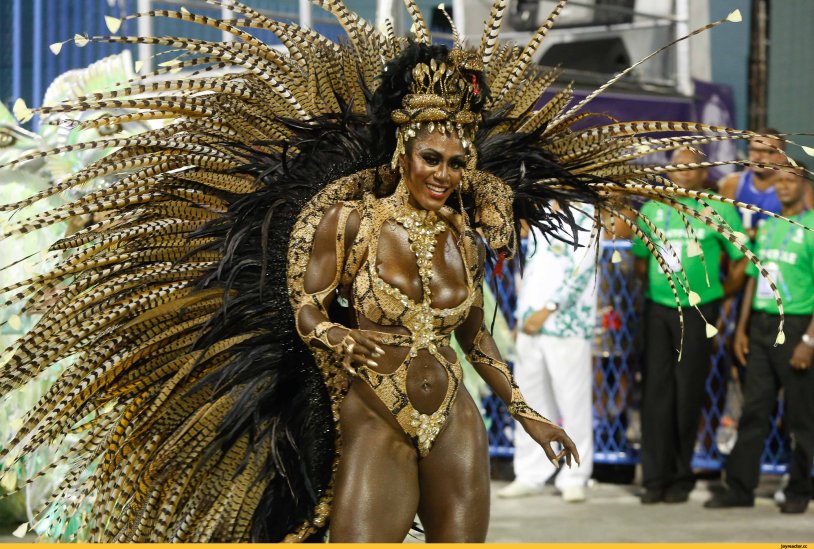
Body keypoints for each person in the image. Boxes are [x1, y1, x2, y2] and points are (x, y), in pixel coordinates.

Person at [0, 0, 797, 542]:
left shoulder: (466, 239)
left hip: (452, 413)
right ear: (402, 150)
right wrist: (345, 339)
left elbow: (478, 334)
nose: (444, 170)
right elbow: (305, 308)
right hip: (372, 413)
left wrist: (525, 410)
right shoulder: (348, 222)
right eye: (431, 156)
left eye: (457, 158)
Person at [632, 148, 749, 504]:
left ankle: (681, 478)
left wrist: (717, 297)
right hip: (658, 311)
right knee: (655, 395)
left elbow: (741, 261)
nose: (683, 173)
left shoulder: (719, 209)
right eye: (678, 166)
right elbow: (640, 261)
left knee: (687, 394)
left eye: (691, 168)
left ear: (703, 174)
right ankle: (654, 479)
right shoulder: (652, 208)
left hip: (699, 314)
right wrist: (657, 289)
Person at [704, 167, 814, 513]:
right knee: (754, 409)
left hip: (796, 325)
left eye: (790, 181)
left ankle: (799, 489)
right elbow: (753, 278)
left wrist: (809, 340)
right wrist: (740, 328)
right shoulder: (766, 226)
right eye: (779, 181)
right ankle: (739, 488)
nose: (783, 186)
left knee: (800, 415)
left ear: (803, 187)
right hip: (762, 326)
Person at [498, 206, 597, 503]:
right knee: (529, 402)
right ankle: (530, 473)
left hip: (568, 325)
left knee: (572, 401)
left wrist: (549, 309)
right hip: (530, 325)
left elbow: (583, 269)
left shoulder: (586, 215)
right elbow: (531, 271)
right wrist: (522, 316)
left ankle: (574, 475)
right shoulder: (539, 212)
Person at [719, 131, 813, 239]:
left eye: (766, 151)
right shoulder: (733, 183)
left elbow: (809, 228)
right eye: (753, 150)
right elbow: (720, 226)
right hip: (740, 253)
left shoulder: (797, 187)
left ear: (782, 156)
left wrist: (755, 234)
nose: (757, 156)